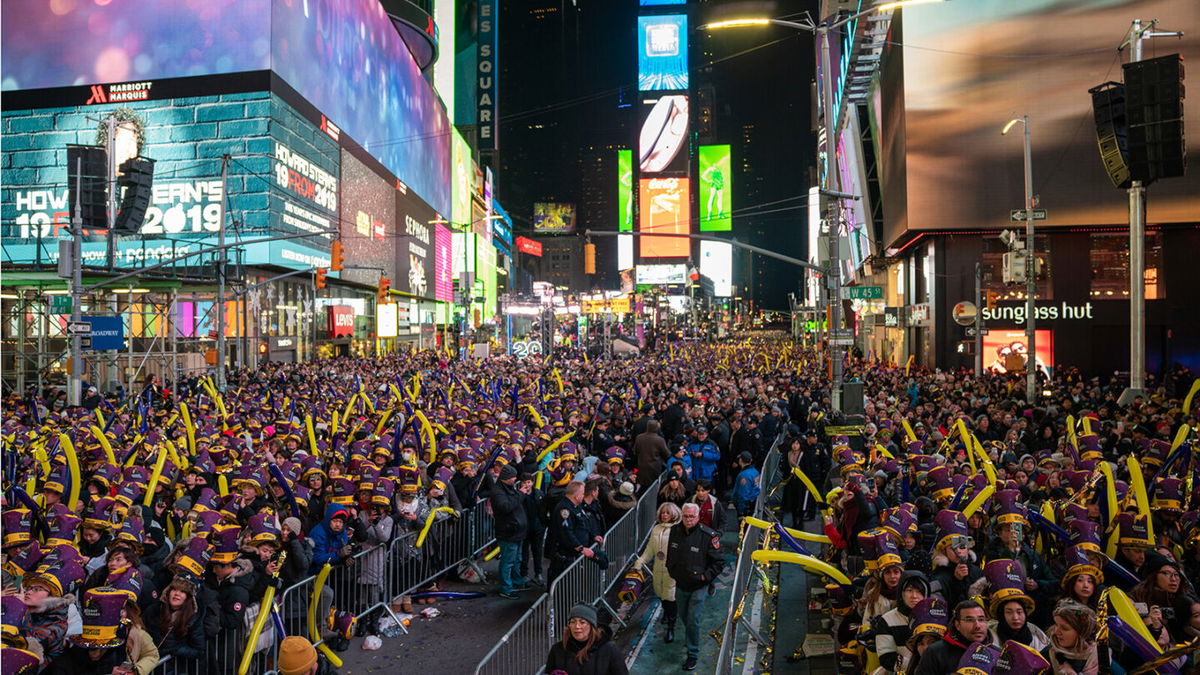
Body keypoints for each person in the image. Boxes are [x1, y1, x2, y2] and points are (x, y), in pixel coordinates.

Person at [666, 502, 725, 671]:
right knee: (684, 616)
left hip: (699, 586)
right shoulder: (675, 531)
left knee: (693, 620)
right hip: (680, 582)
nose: (688, 519)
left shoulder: (708, 536)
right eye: (685, 516)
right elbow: (671, 552)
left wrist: (705, 576)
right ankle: (691, 638)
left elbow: (719, 561)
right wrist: (671, 569)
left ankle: (692, 654)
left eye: (692, 516)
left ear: (698, 517)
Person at [635, 502, 682, 643]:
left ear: (674, 514)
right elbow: (650, 549)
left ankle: (671, 628)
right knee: (661, 594)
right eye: (663, 512)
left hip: (672, 571)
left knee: (670, 597)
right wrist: (640, 561)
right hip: (658, 568)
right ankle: (667, 614)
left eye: (668, 513)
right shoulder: (656, 528)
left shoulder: (679, 530)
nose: (665, 515)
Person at [544, 604, 629, 675]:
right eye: (573, 622)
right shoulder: (557, 649)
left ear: (592, 626)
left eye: (582, 622)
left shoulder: (609, 649)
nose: (577, 626)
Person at [913, 600, 992, 675]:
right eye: (969, 620)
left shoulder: (996, 653)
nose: (977, 626)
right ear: (957, 625)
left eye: (981, 619)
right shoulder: (935, 652)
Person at [143, 575, 206, 666]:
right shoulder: (154, 610)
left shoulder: (193, 618)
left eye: (183, 591)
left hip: (174, 667)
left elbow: (198, 650)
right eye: (174, 589)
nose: (177, 593)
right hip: (149, 664)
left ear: (189, 597)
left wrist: (175, 650)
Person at [490, 464, 529, 599]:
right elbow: (506, 507)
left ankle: (517, 582)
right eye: (513, 477)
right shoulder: (498, 492)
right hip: (508, 531)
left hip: (517, 530)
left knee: (517, 559)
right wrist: (520, 494)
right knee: (508, 561)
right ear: (506, 478)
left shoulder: (510, 488)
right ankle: (506, 587)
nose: (515, 479)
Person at [547, 481, 593, 583]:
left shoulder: (576, 507)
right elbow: (566, 532)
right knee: (564, 582)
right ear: (576, 496)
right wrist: (579, 547)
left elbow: (584, 524)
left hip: (573, 553)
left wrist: (593, 536)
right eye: (582, 493)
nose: (583, 496)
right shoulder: (565, 509)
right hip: (565, 554)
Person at [1041, 601, 1099, 675]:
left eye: (1064, 628)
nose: (1056, 631)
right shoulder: (1048, 654)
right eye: (1056, 625)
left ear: (1081, 633)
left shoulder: (1097, 655)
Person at [634, 420, 670, 491]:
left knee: (642, 489)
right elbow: (667, 454)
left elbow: (635, 451)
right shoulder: (660, 440)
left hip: (641, 467)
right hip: (654, 468)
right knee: (653, 489)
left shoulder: (639, 437)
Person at [730, 451, 760, 517]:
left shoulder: (744, 475)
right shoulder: (755, 471)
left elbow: (743, 494)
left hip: (745, 507)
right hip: (753, 502)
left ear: (740, 460)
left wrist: (741, 509)